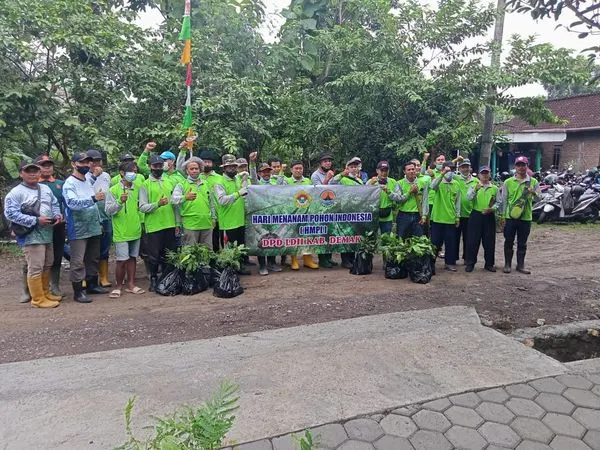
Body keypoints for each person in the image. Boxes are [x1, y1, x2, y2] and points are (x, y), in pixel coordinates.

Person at [4, 160, 63, 308]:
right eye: (28, 171)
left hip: (47, 232)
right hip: (31, 235)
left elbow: (54, 203)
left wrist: (57, 215)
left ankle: (45, 292)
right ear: (21, 173)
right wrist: (35, 220)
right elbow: (10, 214)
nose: (32, 174)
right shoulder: (16, 192)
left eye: (35, 171)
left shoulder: (45, 188)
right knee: (35, 266)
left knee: (48, 262)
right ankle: (37, 299)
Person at [63, 151, 107, 302]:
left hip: (93, 225)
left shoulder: (87, 180)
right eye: (82, 162)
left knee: (93, 257)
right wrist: (93, 198)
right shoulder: (69, 183)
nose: (86, 165)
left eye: (88, 162)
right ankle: (78, 291)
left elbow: (93, 203)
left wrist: (99, 221)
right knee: (78, 260)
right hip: (78, 227)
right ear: (74, 164)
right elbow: (72, 203)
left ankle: (92, 284)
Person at [105, 162, 145, 297]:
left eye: (135, 171)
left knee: (133, 258)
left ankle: (131, 284)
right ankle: (118, 286)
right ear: (122, 173)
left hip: (135, 229)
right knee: (122, 260)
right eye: (131, 171)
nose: (134, 173)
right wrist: (119, 202)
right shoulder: (113, 190)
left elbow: (141, 208)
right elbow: (109, 211)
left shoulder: (138, 188)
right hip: (121, 231)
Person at [139, 154, 179, 291]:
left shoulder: (169, 182)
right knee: (153, 255)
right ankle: (154, 279)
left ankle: (168, 278)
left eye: (160, 166)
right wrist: (157, 204)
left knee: (169, 254)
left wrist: (177, 223)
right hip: (154, 225)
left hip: (170, 223)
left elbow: (175, 205)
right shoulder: (145, 184)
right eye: (155, 166)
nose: (158, 168)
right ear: (150, 167)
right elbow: (142, 207)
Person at [498, 156, 541, 274]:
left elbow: (539, 199)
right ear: (515, 167)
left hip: (526, 217)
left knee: (522, 242)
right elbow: (504, 200)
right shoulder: (508, 182)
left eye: (523, 165)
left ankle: (520, 265)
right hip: (510, 217)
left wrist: (534, 193)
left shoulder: (533, 182)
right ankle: (507, 264)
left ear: (527, 166)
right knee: (509, 241)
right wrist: (502, 216)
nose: (521, 167)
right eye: (519, 165)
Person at [214, 154, 251, 275]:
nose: (233, 169)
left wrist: (244, 180)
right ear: (224, 168)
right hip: (228, 222)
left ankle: (238, 267)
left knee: (240, 246)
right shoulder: (219, 182)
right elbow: (222, 200)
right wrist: (238, 194)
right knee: (228, 248)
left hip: (240, 219)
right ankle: (229, 270)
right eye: (230, 167)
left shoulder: (237, 179)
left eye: (234, 167)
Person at [36, 154, 66, 299]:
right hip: (37, 227)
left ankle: (54, 285)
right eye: (43, 165)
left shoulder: (60, 183)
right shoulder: (33, 184)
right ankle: (33, 288)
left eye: (49, 164)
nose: (47, 167)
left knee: (57, 255)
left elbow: (66, 204)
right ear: (37, 167)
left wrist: (63, 217)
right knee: (36, 257)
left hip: (58, 226)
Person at [171, 157, 215, 249]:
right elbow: (173, 200)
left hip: (206, 223)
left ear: (200, 170)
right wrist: (185, 197)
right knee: (190, 253)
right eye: (191, 169)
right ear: (187, 171)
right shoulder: (181, 185)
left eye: (196, 168)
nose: (194, 171)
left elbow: (211, 202)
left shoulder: (206, 184)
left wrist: (213, 218)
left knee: (206, 252)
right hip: (190, 224)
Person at [284, 160, 319, 271]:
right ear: (291, 170)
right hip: (293, 213)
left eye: (300, 168)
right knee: (294, 237)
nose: (299, 170)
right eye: (296, 168)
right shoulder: (287, 181)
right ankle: (294, 260)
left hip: (306, 213)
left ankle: (308, 259)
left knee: (307, 236)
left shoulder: (308, 181)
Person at [86, 149, 113, 288]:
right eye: (92, 161)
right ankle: (87, 277)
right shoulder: (83, 176)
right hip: (90, 217)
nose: (96, 164)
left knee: (105, 246)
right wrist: (94, 175)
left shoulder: (107, 176)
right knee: (89, 247)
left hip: (106, 215)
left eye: (98, 160)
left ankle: (103, 276)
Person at [331, 157, 364, 268]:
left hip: (356, 211)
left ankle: (352, 258)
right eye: (351, 167)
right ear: (347, 168)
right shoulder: (343, 179)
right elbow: (331, 184)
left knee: (354, 236)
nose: (354, 169)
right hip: (344, 211)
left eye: (355, 167)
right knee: (345, 235)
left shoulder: (360, 181)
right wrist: (341, 174)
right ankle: (345, 260)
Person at [465, 165, 498, 273]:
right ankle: (470, 263)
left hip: (489, 216)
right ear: (479, 175)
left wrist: (492, 209)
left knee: (489, 241)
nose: (485, 175)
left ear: (490, 174)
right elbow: (468, 198)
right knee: (472, 240)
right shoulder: (474, 186)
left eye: (486, 173)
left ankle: (489, 264)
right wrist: (475, 189)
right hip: (476, 215)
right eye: (482, 173)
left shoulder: (494, 188)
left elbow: (499, 203)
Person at [430, 161, 461, 271]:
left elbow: (457, 202)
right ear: (443, 169)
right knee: (435, 242)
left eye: (452, 170)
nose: (450, 172)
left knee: (451, 243)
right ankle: (431, 262)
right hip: (437, 218)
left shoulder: (456, 184)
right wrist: (442, 174)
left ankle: (449, 263)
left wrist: (457, 217)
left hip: (450, 218)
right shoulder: (438, 182)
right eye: (448, 169)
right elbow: (432, 186)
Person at [311, 152, 337, 268]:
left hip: (331, 208)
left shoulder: (332, 173)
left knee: (330, 233)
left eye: (329, 161)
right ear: (320, 163)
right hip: (320, 210)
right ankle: (322, 259)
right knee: (322, 233)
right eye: (325, 161)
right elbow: (318, 192)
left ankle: (329, 258)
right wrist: (327, 179)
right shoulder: (315, 175)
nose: (328, 163)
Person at [394, 161, 429, 238]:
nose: (411, 171)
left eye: (413, 169)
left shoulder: (423, 183)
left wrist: (424, 216)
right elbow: (398, 199)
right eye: (409, 170)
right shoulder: (399, 183)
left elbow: (425, 200)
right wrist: (409, 193)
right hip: (403, 215)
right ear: (404, 171)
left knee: (419, 241)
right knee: (401, 240)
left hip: (418, 216)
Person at [198, 149, 224, 251]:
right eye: (204, 162)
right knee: (202, 242)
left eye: (209, 162)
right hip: (202, 215)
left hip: (217, 215)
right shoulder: (197, 177)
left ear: (212, 163)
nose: (207, 164)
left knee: (216, 240)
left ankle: (216, 262)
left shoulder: (219, 178)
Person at [455, 159, 478, 264]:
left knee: (468, 238)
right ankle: (453, 258)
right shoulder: (455, 179)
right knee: (454, 237)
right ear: (459, 168)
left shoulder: (476, 181)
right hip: (456, 214)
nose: (465, 169)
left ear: (470, 168)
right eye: (463, 167)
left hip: (470, 214)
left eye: (467, 167)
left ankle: (467, 258)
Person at [366, 161, 399, 234]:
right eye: (382, 170)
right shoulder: (371, 181)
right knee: (372, 240)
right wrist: (370, 185)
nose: (384, 173)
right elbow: (363, 196)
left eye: (386, 170)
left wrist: (388, 191)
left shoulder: (393, 182)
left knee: (386, 239)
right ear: (377, 171)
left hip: (387, 216)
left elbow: (398, 198)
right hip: (373, 215)